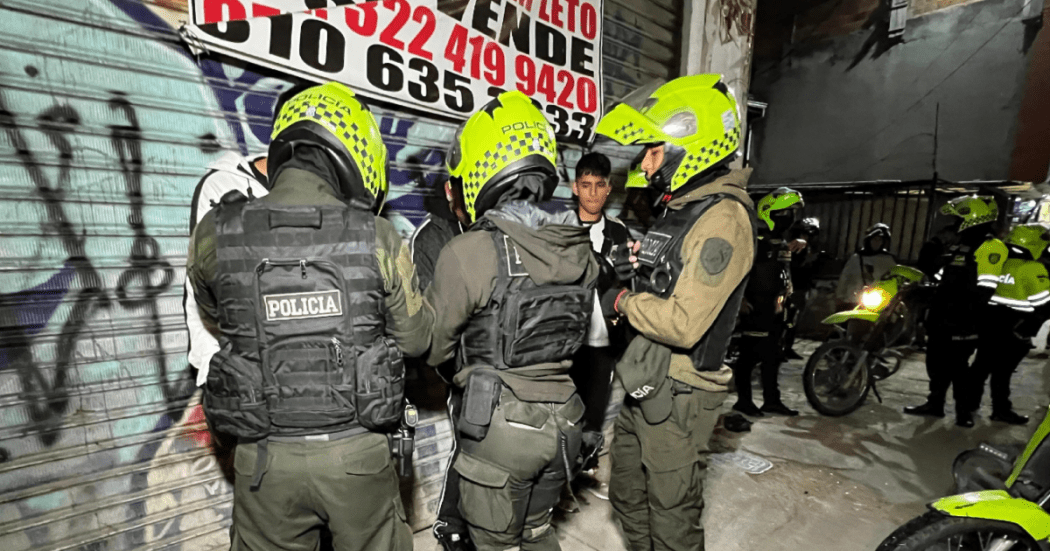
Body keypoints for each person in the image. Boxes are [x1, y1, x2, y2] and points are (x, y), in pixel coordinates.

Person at [187, 82, 432, 550]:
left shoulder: (216, 231)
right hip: (358, 457)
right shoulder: (377, 235)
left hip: (263, 462)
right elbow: (418, 339)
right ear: (353, 150)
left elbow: (213, 311)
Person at [426, 90, 599, 550]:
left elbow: (434, 347)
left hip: (501, 434)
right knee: (538, 533)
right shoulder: (580, 249)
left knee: (496, 544)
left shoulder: (468, 252)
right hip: (566, 421)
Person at [595, 74, 757, 551]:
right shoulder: (684, 208)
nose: (645, 164)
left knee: (671, 520)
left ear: (693, 145)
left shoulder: (724, 218)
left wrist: (622, 301)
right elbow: (670, 279)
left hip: (683, 392)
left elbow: (684, 324)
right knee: (626, 495)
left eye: (653, 150)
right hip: (649, 379)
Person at [185, 83, 310, 384]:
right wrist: (212, 369)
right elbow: (203, 289)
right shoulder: (225, 187)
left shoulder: (329, 196)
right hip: (246, 379)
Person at [904, 195, 1007, 428]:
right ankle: (935, 403)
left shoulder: (990, 247)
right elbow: (942, 276)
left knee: (959, 368)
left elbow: (986, 289)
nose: (955, 222)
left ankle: (963, 412)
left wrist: (966, 316)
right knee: (935, 362)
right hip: (942, 316)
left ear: (973, 217)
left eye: (959, 216)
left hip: (963, 320)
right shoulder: (960, 244)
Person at [412, 178, 474, 551]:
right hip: (460, 360)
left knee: (487, 445)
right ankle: (451, 523)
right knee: (471, 440)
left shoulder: (479, 225)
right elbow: (432, 312)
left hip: (493, 358)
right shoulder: (430, 236)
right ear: (450, 190)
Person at [569, 151, 629, 475]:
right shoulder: (560, 229)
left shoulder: (619, 233)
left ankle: (586, 466)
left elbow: (628, 286)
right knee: (565, 412)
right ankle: (561, 475)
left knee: (594, 414)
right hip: (567, 341)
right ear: (574, 187)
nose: (592, 192)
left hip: (604, 341)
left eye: (599, 185)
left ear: (608, 190)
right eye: (586, 184)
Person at [965, 224, 1050, 425]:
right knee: (1002, 374)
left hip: (989, 324)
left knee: (980, 367)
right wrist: (1028, 327)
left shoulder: (997, 263)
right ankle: (1001, 410)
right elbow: (1046, 305)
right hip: (1015, 329)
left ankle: (969, 404)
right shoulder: (1033, 268)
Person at [731, 187, 805, 418]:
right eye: (788, 212)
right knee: (748, 357)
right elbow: (737, 271)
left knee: (772, 357)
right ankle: (743, 401)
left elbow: (786, 271)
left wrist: (801, 244)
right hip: (755, 305)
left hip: (776, 308)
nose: (792, 218)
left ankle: (772, 400)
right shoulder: (755, 240)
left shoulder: (781, 242)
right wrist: (740, 299)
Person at [783, 217, 823, 359]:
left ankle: (786, 347)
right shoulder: (794, 246)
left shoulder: (810, 248)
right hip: (789, 287)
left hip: (801, 288)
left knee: (793, 320)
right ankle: (779, 348)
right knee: (785, 319)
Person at [835, 223, 897, 310]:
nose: (877, 242)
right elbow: (845, 278)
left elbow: (894, 278)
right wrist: (840, 296)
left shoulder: (888, 259)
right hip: (854, 300)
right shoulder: (856, 258)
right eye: (874, 239)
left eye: (880, 240)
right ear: (869, 240)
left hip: (878, 302)